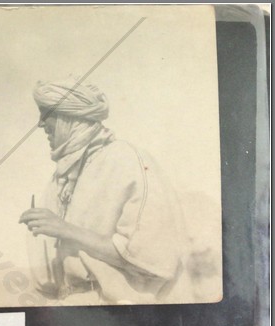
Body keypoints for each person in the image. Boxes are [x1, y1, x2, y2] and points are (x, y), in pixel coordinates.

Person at [19, 78, 184, 305]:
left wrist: (65, 229)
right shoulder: (58, 178)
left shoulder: (125, 159)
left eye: (46, 114)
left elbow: (155, 259)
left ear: (70, 115)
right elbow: (47, 281)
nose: (40, 124)